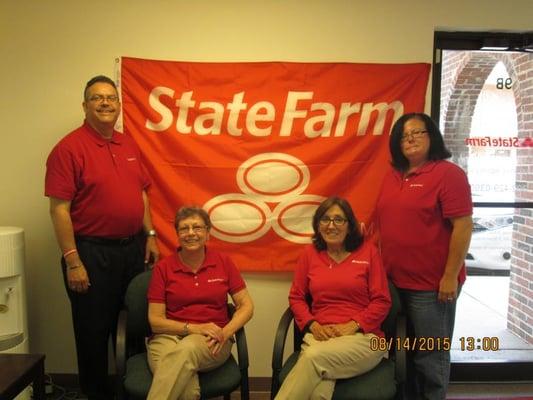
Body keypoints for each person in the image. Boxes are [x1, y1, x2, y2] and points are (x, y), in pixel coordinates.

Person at [45, 75, 160, 400]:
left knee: (136, 327)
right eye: (97, 98)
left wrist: (149, 234)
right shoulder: (68, 149)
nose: (105, 103)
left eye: (111, 97)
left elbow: (142, 194)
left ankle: (133, 393)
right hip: (90, 254)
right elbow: (59, 210)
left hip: (132, 250)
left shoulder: (127, 144)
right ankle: (96, 394)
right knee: (93, 334)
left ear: (119, 106)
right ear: (85, 106)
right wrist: (72, 261)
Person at [376, 112, 473, 400]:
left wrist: (449, 277)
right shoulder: (392, 176)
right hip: (392, 283)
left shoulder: (448, 174)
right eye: (404, 135)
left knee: (431, 354)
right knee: (397, 350)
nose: (410, 139)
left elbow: (463, 226)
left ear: (432, 137)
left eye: (418, 132)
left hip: (432, 287)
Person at [275, 197, 391, 400]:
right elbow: (296, 297)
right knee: (318, 390)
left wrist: (353, 325)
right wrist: (312, 325)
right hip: (321, 336)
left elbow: (382, 301)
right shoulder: (309, 254)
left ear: (350, 225)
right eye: (325, 219)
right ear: (317, 225)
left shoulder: (369, 252)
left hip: (365, 339)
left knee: (312, 358)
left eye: (339, 220)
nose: (331, 225)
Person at [146, 206, 254, 400]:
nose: (191, 233)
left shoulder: (223, 262)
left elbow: (246, 306)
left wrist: (226, 332)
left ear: (208, 233)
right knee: (186, 390)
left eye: (197, 227)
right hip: (167, 338)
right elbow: (155, 321)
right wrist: (193, 328)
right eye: (184, 228)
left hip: (211, 340)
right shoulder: (163, 268)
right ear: (177, 235)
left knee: (187, 350)